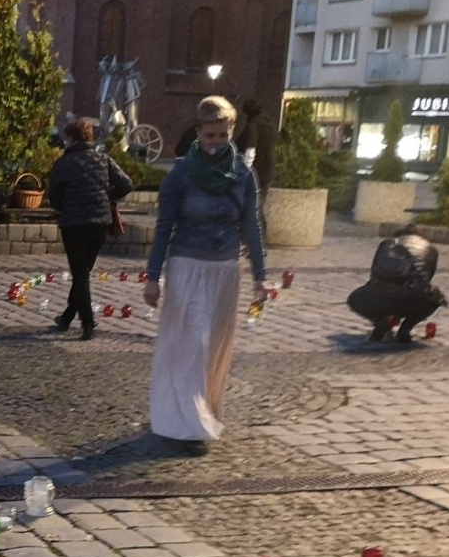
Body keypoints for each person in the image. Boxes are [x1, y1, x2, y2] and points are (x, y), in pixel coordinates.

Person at [144, 96, 269, 455]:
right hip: (187, 267)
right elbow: (165, 225)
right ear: (198, 132)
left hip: (226, 270)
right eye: (209, 135)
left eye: (222, 135)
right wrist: (153, 276)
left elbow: (252, 225)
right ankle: (185, 423)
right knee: (191, 345)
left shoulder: (244, 175)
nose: (215, 142)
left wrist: (261, 276)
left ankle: (203, 411)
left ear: (231, 132)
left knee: (213, 347)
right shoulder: (181, 175)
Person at [46, 117, 133, 339]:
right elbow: (126, 184)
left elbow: (54, 198)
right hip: (100, 222)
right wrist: (107, 196)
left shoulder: (63, 164)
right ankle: (66, 317)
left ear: (70, 138)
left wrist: (67, 203)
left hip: (73, 223)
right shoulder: (103, 159)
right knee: (83, 272)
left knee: (80, 274)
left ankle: (87, 323)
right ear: (89, 137)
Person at [346, 228, 446, 343]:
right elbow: (426, 280)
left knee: (354, 298)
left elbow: (375, 274)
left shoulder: (386, 245)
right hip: (416, 297)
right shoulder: (431, 250)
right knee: (435, 298)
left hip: (382, 293)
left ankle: (380, 324)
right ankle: (406, 328)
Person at [235, 97, 278, 196]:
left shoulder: (253, 125)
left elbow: (250, 148)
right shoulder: (269, 124)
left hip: (256, 170)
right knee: (259, 202)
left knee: (252, 204)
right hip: (267, 170)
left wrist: (246, 170)